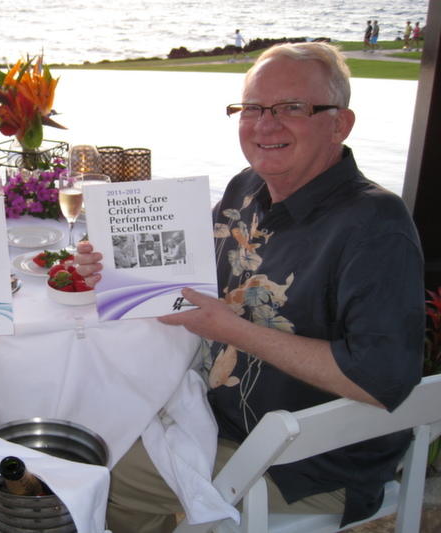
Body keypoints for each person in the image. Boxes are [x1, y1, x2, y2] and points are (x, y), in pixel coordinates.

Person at [76, 42, 424, 532]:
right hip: (213, 414)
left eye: (293, 108)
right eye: (254, 108)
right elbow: (190, 279)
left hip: (304, 460)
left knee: (85, 468)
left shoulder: (374, 225)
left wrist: (231, 330)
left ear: (340, 124)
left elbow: (382, 378)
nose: (266, 124)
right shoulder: (247, 187)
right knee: (75, 414)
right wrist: (116, 265)